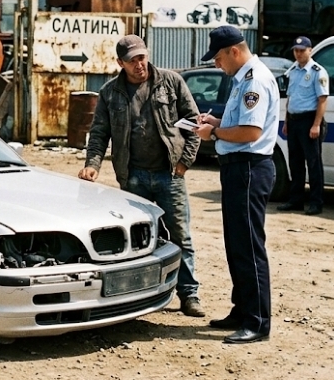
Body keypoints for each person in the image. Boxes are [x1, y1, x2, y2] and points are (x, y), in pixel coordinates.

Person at [78, 34, 205, 318]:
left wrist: (185, 162)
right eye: (133, 60)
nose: (140, 64)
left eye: (142, 57)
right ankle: (143, 295)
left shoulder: (170, 82)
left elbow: (193, 122)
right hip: (133, 178)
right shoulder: (110, 93)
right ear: (120, 63)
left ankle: (189, 295)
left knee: (180, 236)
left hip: (168, 175)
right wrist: (92, 164)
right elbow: (99, 133)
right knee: (140, 239)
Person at [194, 25, 280, 345]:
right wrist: (217, 123)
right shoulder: (243, 78)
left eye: (218, 58)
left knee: (248, 246)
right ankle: (242, 309)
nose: (217, 64)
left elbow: (250, 132)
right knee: (236, 244)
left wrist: (214, 135)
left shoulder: (253, 79)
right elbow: (239, 125)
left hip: (248, 168)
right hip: (237, 169)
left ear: (234, 51)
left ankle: (257, 321)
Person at [278, 36, 329, 216]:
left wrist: (316, 125)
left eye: (302, 50)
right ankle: (296, 200)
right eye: (296, 50)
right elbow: (291, 97)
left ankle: (316, 202)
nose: (298, 54)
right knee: (295, 162)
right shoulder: (293, 71)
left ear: (310, 50)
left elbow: (322, 100)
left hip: (309, 120)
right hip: (293, 120)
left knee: (313, 163)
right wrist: (286, 120)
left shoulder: (318, 72)